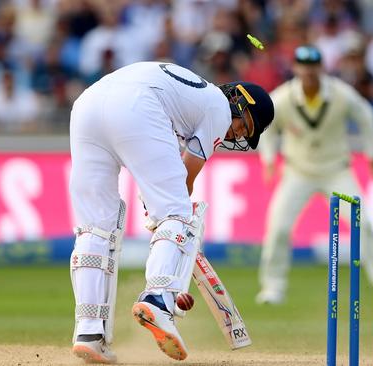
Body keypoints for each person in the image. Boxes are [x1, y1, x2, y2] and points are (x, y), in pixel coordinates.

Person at [68, 61, 274, 363]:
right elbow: (185, 182)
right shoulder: (218, 105)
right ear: (238, 101)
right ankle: (158, 299)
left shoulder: (189, 101)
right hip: (135, 105)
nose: (237, 134)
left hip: (88, 104)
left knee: (97, 225)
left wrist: (161, 219)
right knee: (178, 212)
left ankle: (89, 331)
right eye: (245, 124)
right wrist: (173, 254)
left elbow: (162, 183)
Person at [257, 45, 373, 306]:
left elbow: (366, 116)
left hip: (336, 171)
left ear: (320, 67)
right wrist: (269, 158)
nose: (308, 72)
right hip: (297, 172)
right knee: (278, 228)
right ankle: (273, 287)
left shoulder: (339, 93)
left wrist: (372, 153)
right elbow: (266, 127)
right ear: (295, 68)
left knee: (363, 224)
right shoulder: (281, 98)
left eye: (313, 66)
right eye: (303, 66)